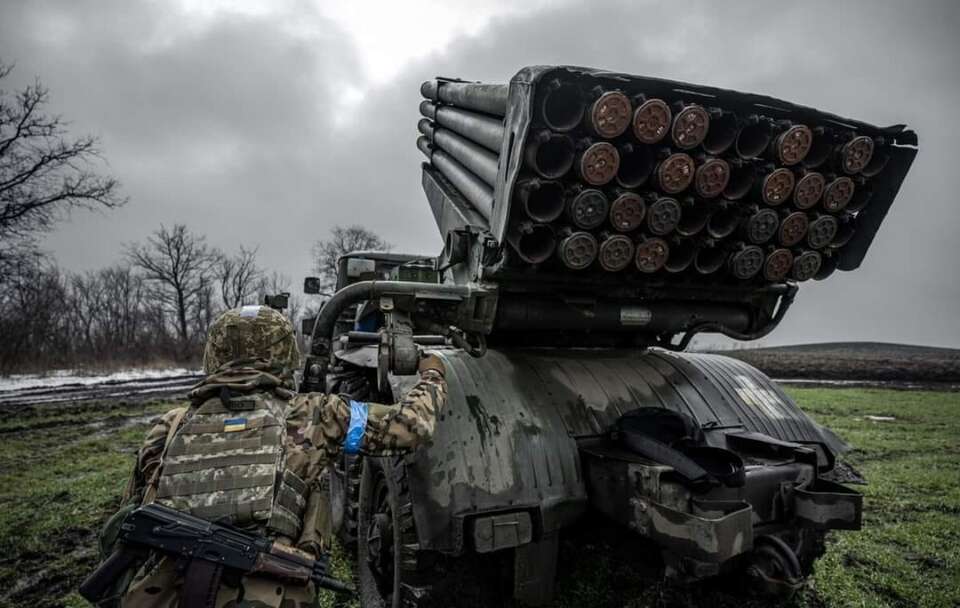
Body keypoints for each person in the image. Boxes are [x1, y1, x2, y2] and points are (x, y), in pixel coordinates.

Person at [111, 304, 447, 607]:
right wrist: (432, 373)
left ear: (213, 355)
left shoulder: (168, 426)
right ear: (286, 354)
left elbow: (124, 523)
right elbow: (411, 425)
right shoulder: (315, 416)